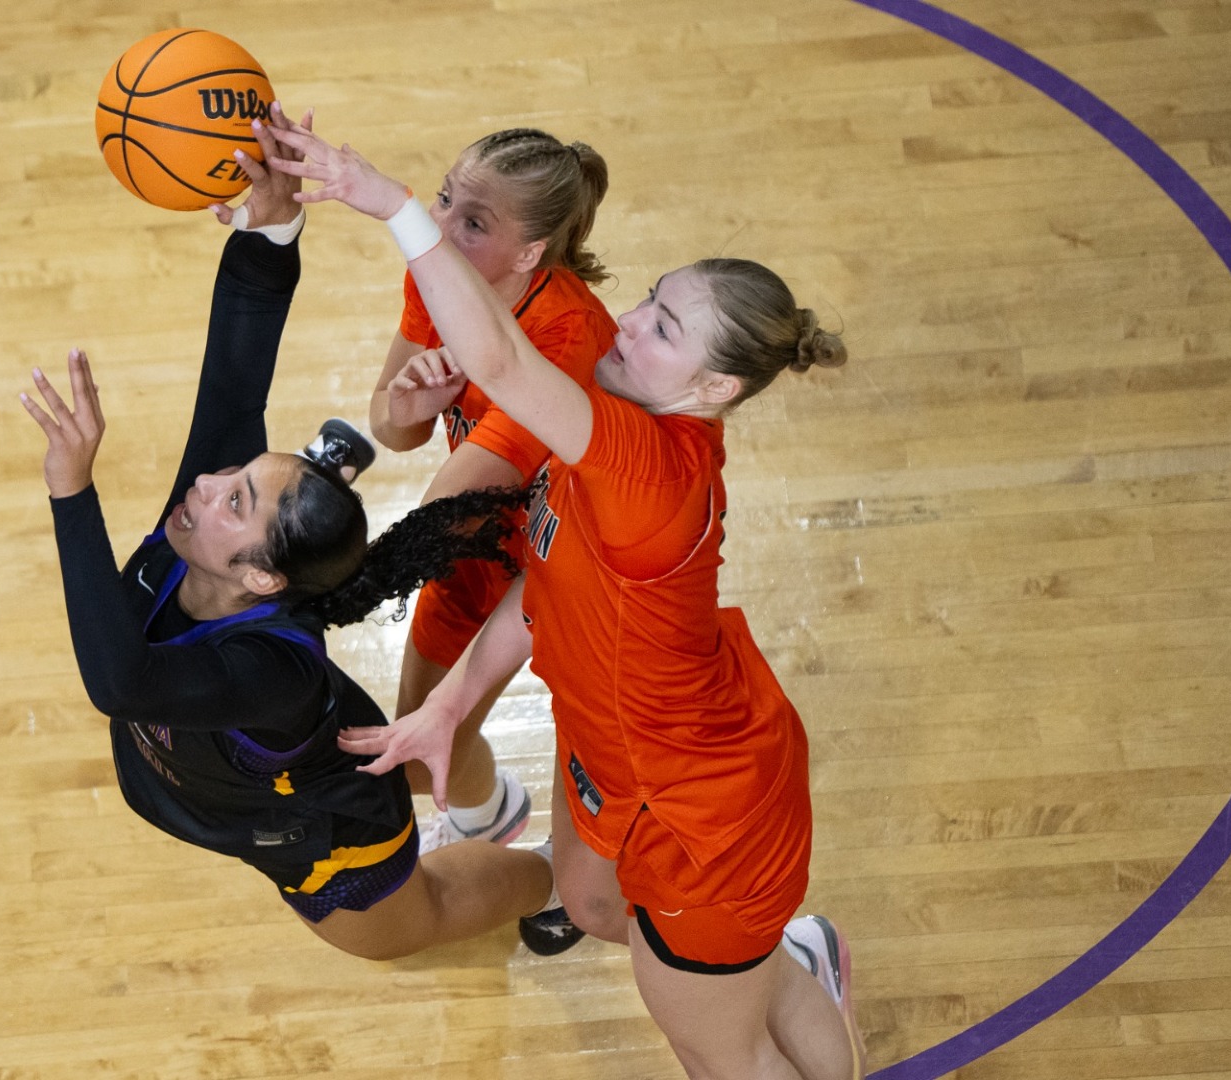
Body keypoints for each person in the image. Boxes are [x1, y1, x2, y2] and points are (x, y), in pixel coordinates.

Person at [269, 121, 866, 1078]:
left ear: (714, 387)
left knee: (721, 1052)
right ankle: (785, 963)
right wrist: (450, 706)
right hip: (612, 744)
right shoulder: (616, 424)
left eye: (664, 330)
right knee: (590, 908)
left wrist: (392, 204)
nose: (627, 322)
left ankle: (780, 973)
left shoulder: (647, 467)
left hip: (709, 815)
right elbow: (541, 589)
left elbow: (502, 365)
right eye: (649, 302)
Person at [19, 114, 560, 962]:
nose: (200, 485)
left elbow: (121, 679)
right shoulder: (201, 532)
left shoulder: (274, 671)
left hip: (321, 837)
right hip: (224, 793)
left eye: (234, 497)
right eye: (228, 483)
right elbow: (234, 385)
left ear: (263, 579)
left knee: (409, 927)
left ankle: (553, 877)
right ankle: (490, 805)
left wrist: (72, 491)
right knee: (435, 760)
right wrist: (272, 225)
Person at [367, 127, 617, 855]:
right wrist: (408, 406)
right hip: (484, 543)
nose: (440, 228)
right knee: (419, 746)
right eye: (444, 199)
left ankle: (586, 884)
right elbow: (391, 423)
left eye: (472, 222)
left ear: (531, 253)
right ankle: (488, 817)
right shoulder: (434, 277)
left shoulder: (568, 336)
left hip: (579, 569)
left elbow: (445, 508)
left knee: (603, 765)